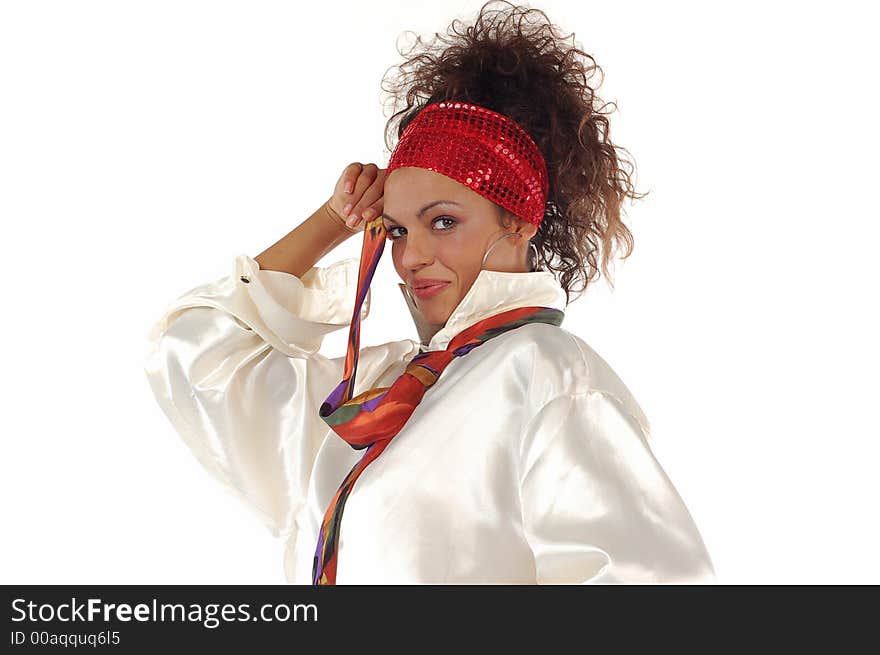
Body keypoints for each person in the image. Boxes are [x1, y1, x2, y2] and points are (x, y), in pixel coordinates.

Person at [144, 1, 716, 584]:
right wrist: (331, 221)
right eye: (394, 230)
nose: (410, 254)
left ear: (518, 221)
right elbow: (197, 353)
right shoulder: (378, 395)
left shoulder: (546, 373)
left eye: (442, 221)